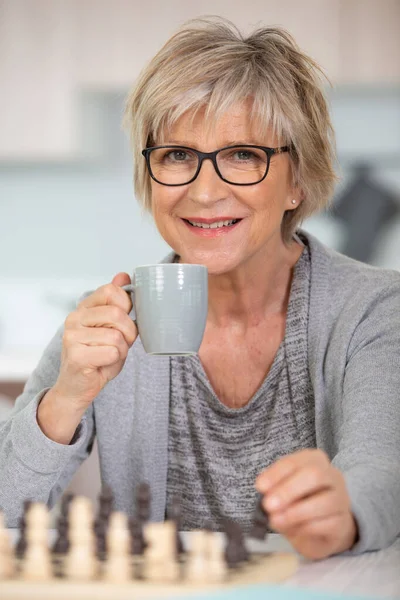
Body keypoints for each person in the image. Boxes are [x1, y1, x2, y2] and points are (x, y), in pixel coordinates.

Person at [1, 16, 400, 561]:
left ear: (298, 180)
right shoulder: (112, 318)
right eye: (177, 156)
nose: (204, 191)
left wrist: (344, 513)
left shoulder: (375, 311)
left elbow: (384, 477)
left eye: (243, 155)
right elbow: (4, 509)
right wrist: (66, 397)